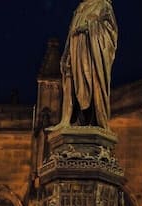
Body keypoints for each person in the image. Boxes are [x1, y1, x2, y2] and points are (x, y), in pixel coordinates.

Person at [54, 0, 118, 130]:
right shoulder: (80, 7)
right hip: (74, 52)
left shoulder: (103, 5)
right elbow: (70, 33)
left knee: (93, 84)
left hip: (92, 54)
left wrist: (89, 27)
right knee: (71, 83)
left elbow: (111, 31)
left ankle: (93, 118)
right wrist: (66, 53)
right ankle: (69, 119)